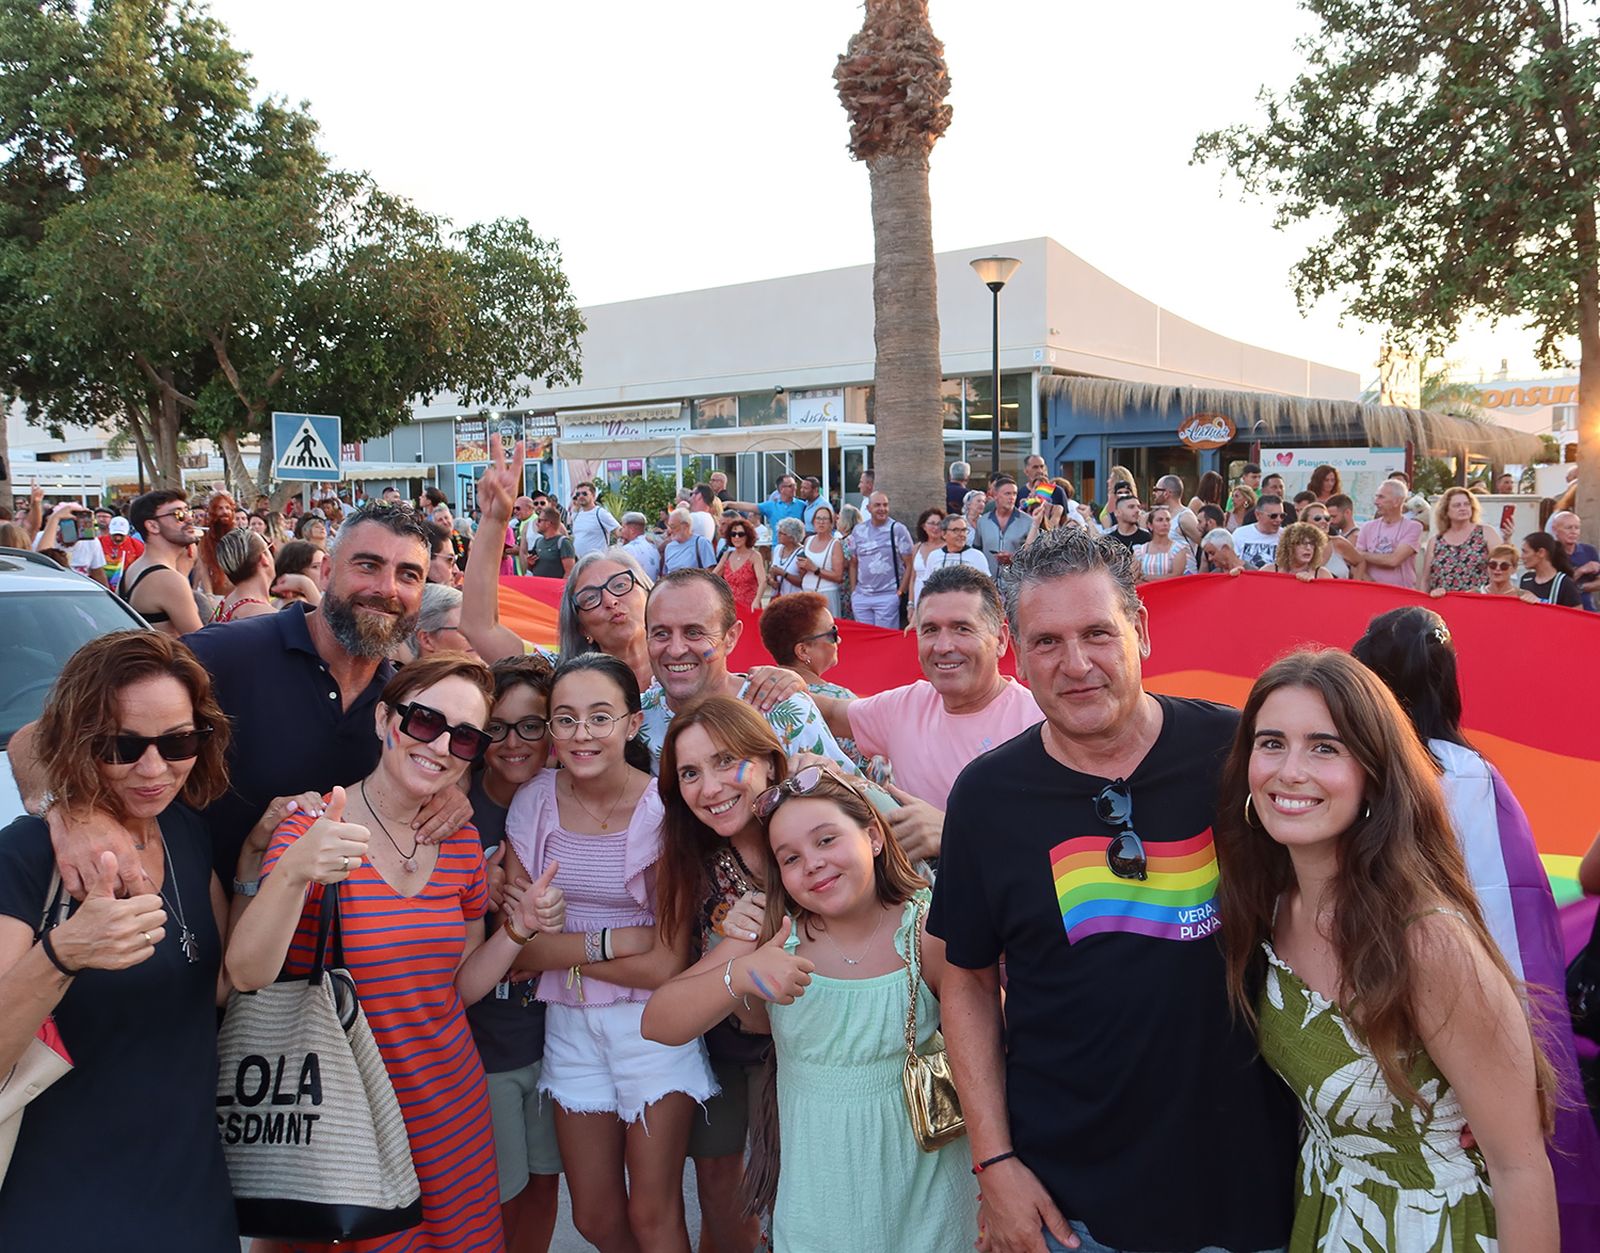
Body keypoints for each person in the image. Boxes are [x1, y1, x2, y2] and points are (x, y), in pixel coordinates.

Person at [930, 526, 1296, 1253]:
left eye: (1098, 633)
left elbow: (1349, 899)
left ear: (1142, 630)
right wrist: (995, 1164)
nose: (1076, 664)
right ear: (1018, 654)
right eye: (1047, 641)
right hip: (1074, 1206)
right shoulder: (987, 796)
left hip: (1252, 1183)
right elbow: (965, 980)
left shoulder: (1240, 755)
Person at [1212, 649, 1557, 1250]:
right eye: (1271, 743)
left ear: (1374, 771)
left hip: (1434, 1229)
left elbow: (1520, 1168)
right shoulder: (1269, 906)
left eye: (1326, 747)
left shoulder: (1426, 938)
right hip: (1327, 1214)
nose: (1290, 771)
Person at [228, 655, 560, 1253]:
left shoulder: (458, 842)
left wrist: (517, 930)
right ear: (386, 719)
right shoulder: (314, 827)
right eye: (424, 722)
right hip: (344, 1113)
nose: (440, 746)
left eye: (463, 737)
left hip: (448, 1106)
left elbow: (455, 987)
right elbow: (247, 973)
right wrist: (294, 871)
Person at [642, 765, 977, 1253]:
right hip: (819, 1202)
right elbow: (659, 1021)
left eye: (826, 840)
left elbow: (991, 1046)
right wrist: (745, 973)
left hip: (929, 1198)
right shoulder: (775, 936)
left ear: (873, 837)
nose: (813, 864)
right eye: (790, 857)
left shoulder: (926, 929)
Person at [1352, 607, 1600, 1246]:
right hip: (1445, 1026)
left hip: (1389, 1028)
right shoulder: (1468, 774)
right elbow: (1514, 929)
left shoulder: (1394, 772)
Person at [0, 632, 240, 1250]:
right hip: (65, 1201)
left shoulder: (185, 830)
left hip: (190, 1190)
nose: (155, 769)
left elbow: (216, 982)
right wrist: (63, 955)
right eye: (121, 746)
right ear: (79, 742)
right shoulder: (27, 858)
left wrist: (273, 859)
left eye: (179, 742)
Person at [502, 655, 714, 1253]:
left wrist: (556, 952)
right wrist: (612, 940)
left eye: (600, 717)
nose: (581, 734)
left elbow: (664, 964)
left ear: (631, 723)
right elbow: (520, 939)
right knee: (594, 1217)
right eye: (564, 719)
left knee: (654, 1215)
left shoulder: (664, 810)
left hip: (652, 1026)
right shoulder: (535, 801)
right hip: (568, 1026)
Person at [652, 699, 787, 1253]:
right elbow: (678, 995)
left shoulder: (820, 830)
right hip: (730, 1047)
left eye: (726, 760)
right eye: (689, 773)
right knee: (723, 1192)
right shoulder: (691, 859)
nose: (708, 788)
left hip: (821, 1053)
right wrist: (734, 951)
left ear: (770, 765)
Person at [814, 565, 1042, 861]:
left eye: (962, 628)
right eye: (931, 630)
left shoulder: (1042, 724)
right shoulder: (905, 706)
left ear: (1000, 640)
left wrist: (954, 833)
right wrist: (786, 684)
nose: (943, 646)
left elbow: (1059, 838)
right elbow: (831, 714)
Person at [464, 656, 564, 1253]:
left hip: (556, 1035)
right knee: (495, 1194)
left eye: (532, 725)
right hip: (484, 1044)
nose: (514, 742)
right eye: (496, 727)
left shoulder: (570, 798)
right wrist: (475, 887)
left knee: (544, 1182)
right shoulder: (452, 808)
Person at [639, 569, 854, 778]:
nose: (676, 650)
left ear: (731, 637)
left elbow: (865, 804)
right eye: (661, 634)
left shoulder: (784, 711)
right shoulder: (634, 719)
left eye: (694, 633)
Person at [758, 591, 881, 777]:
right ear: (803, 650)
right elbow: (876, 773)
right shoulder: (840, 699)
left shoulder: (757, 694)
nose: (838, 639)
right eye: (832, 633)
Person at [121, 489, 205, 636]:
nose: (189, 519)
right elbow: (202, 643)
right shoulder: (168, 580)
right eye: (178, 514)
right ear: (152, 526)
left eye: (188, 512)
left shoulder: (134, 569)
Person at [848, 492, 914, 627]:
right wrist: (854, 591)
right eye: (877, 505)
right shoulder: (858, 530)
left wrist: (900, 592)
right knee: (864, 642)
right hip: (861, 597)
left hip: (887, 597)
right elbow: (854, 563)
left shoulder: (897, 529)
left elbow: (910, 564)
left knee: (884, 642)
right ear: (868, 508)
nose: (882, 509)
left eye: (885, 505)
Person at [1419, 486, 1500, 594]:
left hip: (1478, 601)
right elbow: (1426, 579)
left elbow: (1504, 564)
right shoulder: (1435, 541)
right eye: (1457, 505)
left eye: (1466, 504)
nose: (1463, 508)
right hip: (1442, 603)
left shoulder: (1487, 533)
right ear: (1446, 511)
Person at [1355, 480, 1424, 588]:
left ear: (1397, 501)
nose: (1376, 502)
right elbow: (1356, 562)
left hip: (1401, 593)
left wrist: (1363, 555)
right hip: (1371, 591)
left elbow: (1394, 560)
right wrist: (1372, 585)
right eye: (1376, 497)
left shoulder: (1413, 527)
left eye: (1381, 497)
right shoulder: (1367, 527)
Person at [210, 528, 277, 622]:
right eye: (271, 548)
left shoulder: (226, 604)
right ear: (264, 558)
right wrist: (303, 584)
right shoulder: (269, 617)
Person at [973, 477, 1035, 576]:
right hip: (989, 583)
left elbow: (1036, 555)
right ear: (996, 495)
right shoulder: (983, 522)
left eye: (1014, 493)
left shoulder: (1028, 522)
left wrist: (1013, 559)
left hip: (1017, 582)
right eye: (1007, 494)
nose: (1012, 497)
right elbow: (976, 552)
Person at [795, 503, 845, 617]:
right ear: (813, 522)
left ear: (831, 523)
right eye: (818, 518)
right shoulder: (808, 540)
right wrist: (802, 568)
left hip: (826, 593)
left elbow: (838, 576)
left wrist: (815, 569)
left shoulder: (835, 544)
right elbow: (804, 570)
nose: (821, 522)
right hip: (807, 592)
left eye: (825, 519)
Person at [1549, 510, 1600, 611]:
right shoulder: (1550, 553)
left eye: (1577, 528)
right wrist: (1581, 571)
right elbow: (1555, 585)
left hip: (1588, 609)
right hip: (1560, 610)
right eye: (1568, 528)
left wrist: (1580, 587)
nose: (1573, 531)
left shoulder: (1589, 550)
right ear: (1555, 530)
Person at [714, 517, 767, 613]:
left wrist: (757, 600)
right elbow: (714, 576)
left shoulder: (754, 556)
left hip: (750, 606)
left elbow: (762, 582)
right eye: (733, 534)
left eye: (741, 534)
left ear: (748, 536)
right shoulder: (727, 555)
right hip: (730, 607)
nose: (736, 537)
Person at [726, 474, 805, 537]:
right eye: (790, 486)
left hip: (797, 550)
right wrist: (729, 503)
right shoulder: (771, 506)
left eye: (795, 485)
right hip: (778, 549)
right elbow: (749, 506)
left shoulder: (802, 505)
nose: (794, 488)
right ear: (781, 489)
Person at [194, 491, 239, 596]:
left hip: (237, 592)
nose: (225, 512)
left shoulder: (239, 536)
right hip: (216, 593)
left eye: (228, 508)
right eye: (220, 508)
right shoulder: (206, 540)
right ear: (213, 512)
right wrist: (209, 595)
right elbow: (203, 569)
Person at [1518, 531, 1581, 606]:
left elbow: (1576, 615)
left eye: (1525, 552)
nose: (1522, 556)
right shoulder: (1526, 579)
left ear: (1541, 552)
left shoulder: (1564, 583)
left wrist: (1541, 603)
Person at [1131, 505, 1192, 580]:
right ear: (1150, 525)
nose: (1165, 523)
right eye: (1160, 520)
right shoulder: (1140, 550)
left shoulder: (1179, 548)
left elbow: (1177, 576)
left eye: (1168, 520)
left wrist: (1148, 578)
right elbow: (1134, 578)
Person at [903, 506, 947, 612]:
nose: (936, 528)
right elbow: (913, 579)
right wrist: (910, 604)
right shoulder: (917, 547)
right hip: (919, 598)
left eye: (939, 524)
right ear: (924, 526)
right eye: (932, 523)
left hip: (941, 599)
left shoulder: (948, 547)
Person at [1230, 494, 1286, 569]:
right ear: (1258, 515)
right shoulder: (1240, 534)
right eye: (1273, 516)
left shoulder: (1286, 536)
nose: (1279, 520)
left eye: (1282, 516)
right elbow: (1232, 562)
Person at [926, 513, 991, 576]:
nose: (962, 534)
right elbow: (927, 584)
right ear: (944, 534)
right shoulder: (934, 556)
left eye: (964, 530)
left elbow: (987, 585)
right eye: (956, 530)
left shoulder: (977, 556)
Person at [568, 482, 619, 559]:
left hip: (596, 562)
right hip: (579, 562)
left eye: (584, 493)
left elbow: (618, 531)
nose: (581, 496)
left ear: (593, 496)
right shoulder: (577, 515)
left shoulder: (600, 513)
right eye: (578, 494)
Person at [271, 537, 327, 606]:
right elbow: (322, 616)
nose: (324, 571)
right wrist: (305, 583)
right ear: (295, 571)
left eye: (325, 565)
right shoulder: (296, 604)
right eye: (315, 567)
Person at [524, 506, 576, 578]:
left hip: (554, 587)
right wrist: (530, 564)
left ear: (548, 523)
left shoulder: (563, 543)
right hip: (538, 585)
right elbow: (531, 568)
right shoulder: (538, 541)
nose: (536, 524)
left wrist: (560, 588)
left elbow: (569, 573)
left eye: (539, 520)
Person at [98, 513, 144, 592]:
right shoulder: (99, 542)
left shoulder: (137, 545)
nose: (118, 538)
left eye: (121, 535)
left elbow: (143, 566)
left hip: (127, 586)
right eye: (115, 535)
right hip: (101, 586)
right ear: (110, 531)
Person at [661, 508, 717, 573]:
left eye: (673, 527)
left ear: (686, 525)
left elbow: (711, 572)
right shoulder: (669, 547)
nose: (669, 531)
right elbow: (665, 574)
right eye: (669, 527)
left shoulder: (702, 543)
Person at [1150, 475, 1201, 545]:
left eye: (1156, 490)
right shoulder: (1160, 515)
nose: (1154, 493)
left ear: (1166, 493)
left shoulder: (1185, 517)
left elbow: (1205, 542)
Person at [766, 515, 806, 601]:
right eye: (778, 532)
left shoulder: (802, 553)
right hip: (778, 599)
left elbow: (803, 582)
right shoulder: (777, 548)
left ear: (792, 537)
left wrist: (783, 574)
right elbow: (772, 571)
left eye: (782, 533)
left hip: (795, 600)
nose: (778, 535)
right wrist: (771, 580)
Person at [1023, 455, 1067, 530]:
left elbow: (1063, 522)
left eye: (1042, 466)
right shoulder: (1020, 494)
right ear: (1026, 471)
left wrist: (1044, 508)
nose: (1040, 470)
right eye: (1035, 467)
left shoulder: (1058, 492)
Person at [619, 511, 662, 581]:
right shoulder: (652, 545)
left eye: (623, 527)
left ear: (632, 530)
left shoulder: (628, 549)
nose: (621, 531)